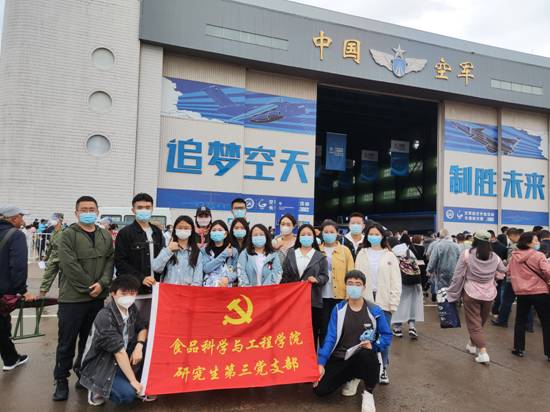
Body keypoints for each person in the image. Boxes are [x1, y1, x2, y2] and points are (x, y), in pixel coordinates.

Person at [53, 196, 114, 401]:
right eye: (84, 209)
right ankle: (61, 380)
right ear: (76, 212)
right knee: (67, 342)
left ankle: (84, 374)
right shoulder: (68, 235)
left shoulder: (105, 235)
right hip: (72, 299)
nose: (88, 212)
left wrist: (103, 283)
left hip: (97, 298)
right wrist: (89, 287)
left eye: (91, 209)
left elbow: (110, 261)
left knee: (91, 341)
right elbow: (68, 265)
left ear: (97, 212)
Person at [313, 270, 392, 412]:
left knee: (368, 354)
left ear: (364, 287)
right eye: (350, 283)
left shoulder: (374, 310)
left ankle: (368, 393)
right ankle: (351, 377)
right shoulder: (338, 309)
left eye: (358, 284)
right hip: (342, 357)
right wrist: (321, 363)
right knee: (320, 390)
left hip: (363, 355)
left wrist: (375, 345)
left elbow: (387, 335)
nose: (354, 287)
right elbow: (330, 338)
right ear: (346, 286)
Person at [79, 275, 149, 406]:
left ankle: (125, 379)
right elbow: (119, 352)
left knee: (147, 345)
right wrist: (133, 381)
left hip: (122, 357)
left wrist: (139, 346)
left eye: (132, 293)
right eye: (124, 293)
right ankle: (96, 388)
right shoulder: (105, 316)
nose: (128, 297)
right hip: (102, 364)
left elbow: (142, 328)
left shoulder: (131, 309)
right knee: (127, 396)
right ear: (113, 293)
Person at [447, 231, 507, 364]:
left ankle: (483, 352)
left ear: (474, 240)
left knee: (475, 324)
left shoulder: (466, 255)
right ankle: (471, 344)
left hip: (471, 293)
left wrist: (452, 292)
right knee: (480, 323)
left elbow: (457, 275)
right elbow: (503, 270)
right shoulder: (495, 257)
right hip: (489, 294)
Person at [354, 223, 401, 385]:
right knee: (364, 335)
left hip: (384, 301)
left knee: (383, 337)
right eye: (371, 234)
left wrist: (393, 304)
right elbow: (356, 277)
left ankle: (383, 368)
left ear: (382, 236)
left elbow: (396, 281)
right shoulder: (362, 253)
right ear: (367, 236)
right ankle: (363, 368)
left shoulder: (390, 256)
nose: (373, 237)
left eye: (377, 234)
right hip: (365, 300)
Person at [281, 223, 328, 348]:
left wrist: (317, 279)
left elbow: (325, 277)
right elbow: (285, 276)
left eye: (309, 234)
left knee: (311, 332)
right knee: (293, 331)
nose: (306, 237)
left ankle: (310, 357)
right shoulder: (291, 253)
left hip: (312, 301)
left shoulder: (320, 256)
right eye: (303, 234)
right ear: (299, 237)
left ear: (314, 237)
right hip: (293, 301)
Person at [0, 205, 34, 371]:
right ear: (13, 218)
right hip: (3, 290)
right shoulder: (16, 235)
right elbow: (18, 265)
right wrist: (23, 290)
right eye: (21, 216)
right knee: (2, 326)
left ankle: (11, 358)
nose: (23, 220)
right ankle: (10, 359)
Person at [508, 232, 550, 360]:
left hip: (522, 292)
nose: (538, 243)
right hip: (539, 292)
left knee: (520, 320)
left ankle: (518, 348)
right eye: (535, 241)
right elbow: (548, 271)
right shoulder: (539, 255)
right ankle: (549, 353)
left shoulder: (514, 256)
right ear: (528, 243)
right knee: (546, 322)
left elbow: (508, 272)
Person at [115, 193, 164, 295]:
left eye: (147, 207)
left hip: (156, 288)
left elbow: (162, 258)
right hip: (134, 288)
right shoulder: (125, 233)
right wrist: (141, 278)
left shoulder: (157, 232)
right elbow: (120, 262)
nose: (144, 210)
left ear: (152, 209)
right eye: (140, 207)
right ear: (133, 210)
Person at [319, 219, 354, 345]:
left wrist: (349, 295)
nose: (329, 234)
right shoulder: (317, 250)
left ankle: (337, 354)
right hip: (321, 297)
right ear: (322, 233)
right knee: (323, 328)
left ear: (337, 233)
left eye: (331, 232)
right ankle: (323, 353)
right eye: (326, 232)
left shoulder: (345, 251)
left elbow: (351, 274)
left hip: (339, 296)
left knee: (339, 328)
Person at [492, 227, 529, 328]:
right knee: (525, 302)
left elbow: (510, 263)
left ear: (512, 235)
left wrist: (504, 264)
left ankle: (502, 321)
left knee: (507, 300)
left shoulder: (513, 247)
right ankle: (527, 325)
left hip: (513, 278)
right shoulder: (528, 247)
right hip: (525, 278)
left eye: (509, 237)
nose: (509, 239)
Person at [390, 234, 424, 340]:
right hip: (414, 282)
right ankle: (412, 327)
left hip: (400, 282)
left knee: (399, 305)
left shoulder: (393, 253)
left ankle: (397, 328)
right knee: (412, 304)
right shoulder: (411, 250)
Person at [152, 215, 203, 286]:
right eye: (180, 228)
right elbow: (156, 268)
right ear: (175, 229)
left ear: (191, 230)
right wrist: (169, 250)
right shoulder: (167, 249)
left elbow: (198, 281)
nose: (183, 230)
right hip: (168, 291)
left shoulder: (196, 253)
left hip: (187, 291)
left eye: (186, 228)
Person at [201, 220, 239, 287]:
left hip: (226, 287)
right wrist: (224, 255)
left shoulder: (233, 250)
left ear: (225, 234)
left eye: (220, 230)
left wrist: (228, 278)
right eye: (214, 230)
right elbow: (206, 269)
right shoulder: (204, 250)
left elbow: (236, 271)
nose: (217, 232)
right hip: (208, 288)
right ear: (210, 233)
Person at [39, 213, 66, 297]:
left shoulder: (66, 231)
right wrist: (45, 258)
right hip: (53, 258)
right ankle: (41, 296)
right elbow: (50, 247)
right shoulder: (53, 232)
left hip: (63, 258)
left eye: (53, 218)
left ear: (60, 220)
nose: (51, 220)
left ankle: (63, 298)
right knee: (47, 276)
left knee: (63, 279)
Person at [488, 229, 508, 317]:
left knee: (486, 290)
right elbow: (505, 261)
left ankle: (484, 309)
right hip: (499, 273)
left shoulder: (486, 247)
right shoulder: (503, 247)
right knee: (498, 290)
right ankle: (495, 311)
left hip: (487, 272)